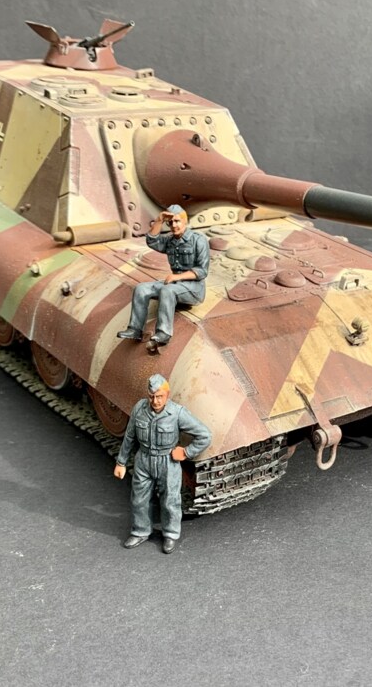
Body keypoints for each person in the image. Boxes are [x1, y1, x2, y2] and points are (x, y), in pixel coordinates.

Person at [113, 374, 212, 554]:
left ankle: (171, 534)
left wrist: (186, 452)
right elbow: (129, 436)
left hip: (168, 462)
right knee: (139, 499)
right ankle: (140, 530)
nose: (155, 401)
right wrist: (121, 462)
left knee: (170, 501)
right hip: (144, 460)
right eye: (152, 396)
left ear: (167, 395)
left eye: (160, 396)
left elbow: (204, 435)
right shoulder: (139, 409)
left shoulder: (177, 413)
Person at [117, 204, 209, 349]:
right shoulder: (170, 241)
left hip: (194, 288)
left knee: (167, 290)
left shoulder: (198, 240)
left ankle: (163, 333)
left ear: (185, 221)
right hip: (175, 284)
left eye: (177, 221)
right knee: (141, 289)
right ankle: (135, 329)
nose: (174, 225)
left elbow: (202, 271)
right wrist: (159, 220)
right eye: (170, 222)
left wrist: (176, 277)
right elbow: (152, 241)